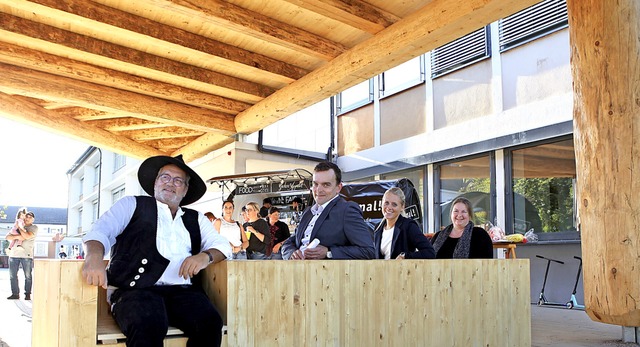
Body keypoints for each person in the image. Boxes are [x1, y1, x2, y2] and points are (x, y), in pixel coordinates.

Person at [81, 154, 232, 347]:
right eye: (165, 177)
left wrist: (206, 256)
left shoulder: (197, 219)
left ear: (185, 190)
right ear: (155, 183)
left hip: (182, 292)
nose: (170, 183)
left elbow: (222, 245)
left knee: (210, 323)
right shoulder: (131, 205)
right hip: (134, 291)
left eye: (178, 180)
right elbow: (100, 231)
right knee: (148, 323)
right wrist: (94, 256)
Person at [281, 161, 375, 260]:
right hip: (297, 273)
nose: (319, 190)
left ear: (338, 188)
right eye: (315, 184)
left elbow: (368, 251)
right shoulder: (308, 212)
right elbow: (289, 242)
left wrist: (329, 252)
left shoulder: (347, 210)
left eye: (326, 185)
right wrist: (292, 254)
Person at [374, 188, 436, 259]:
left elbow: (429, 252)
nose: (389, 207)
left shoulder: (409, 226)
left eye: (394, 204)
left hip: (402, 269)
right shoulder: (378, 228)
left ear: (402, 207)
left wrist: (406, 256)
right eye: (386, 203)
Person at [6, 211, 38, 300]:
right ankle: (15, 294)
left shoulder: (34, 227)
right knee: (12, 276)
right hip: (13, 254)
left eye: (30, 217)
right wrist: (18, 235)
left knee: (28, 276)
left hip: (26, 255)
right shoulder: (17, 224)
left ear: (33, 219)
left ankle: (27, 294)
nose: (28, 218)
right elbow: (7, 237)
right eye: (27, 216)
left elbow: (26, 237)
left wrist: (19, 229)